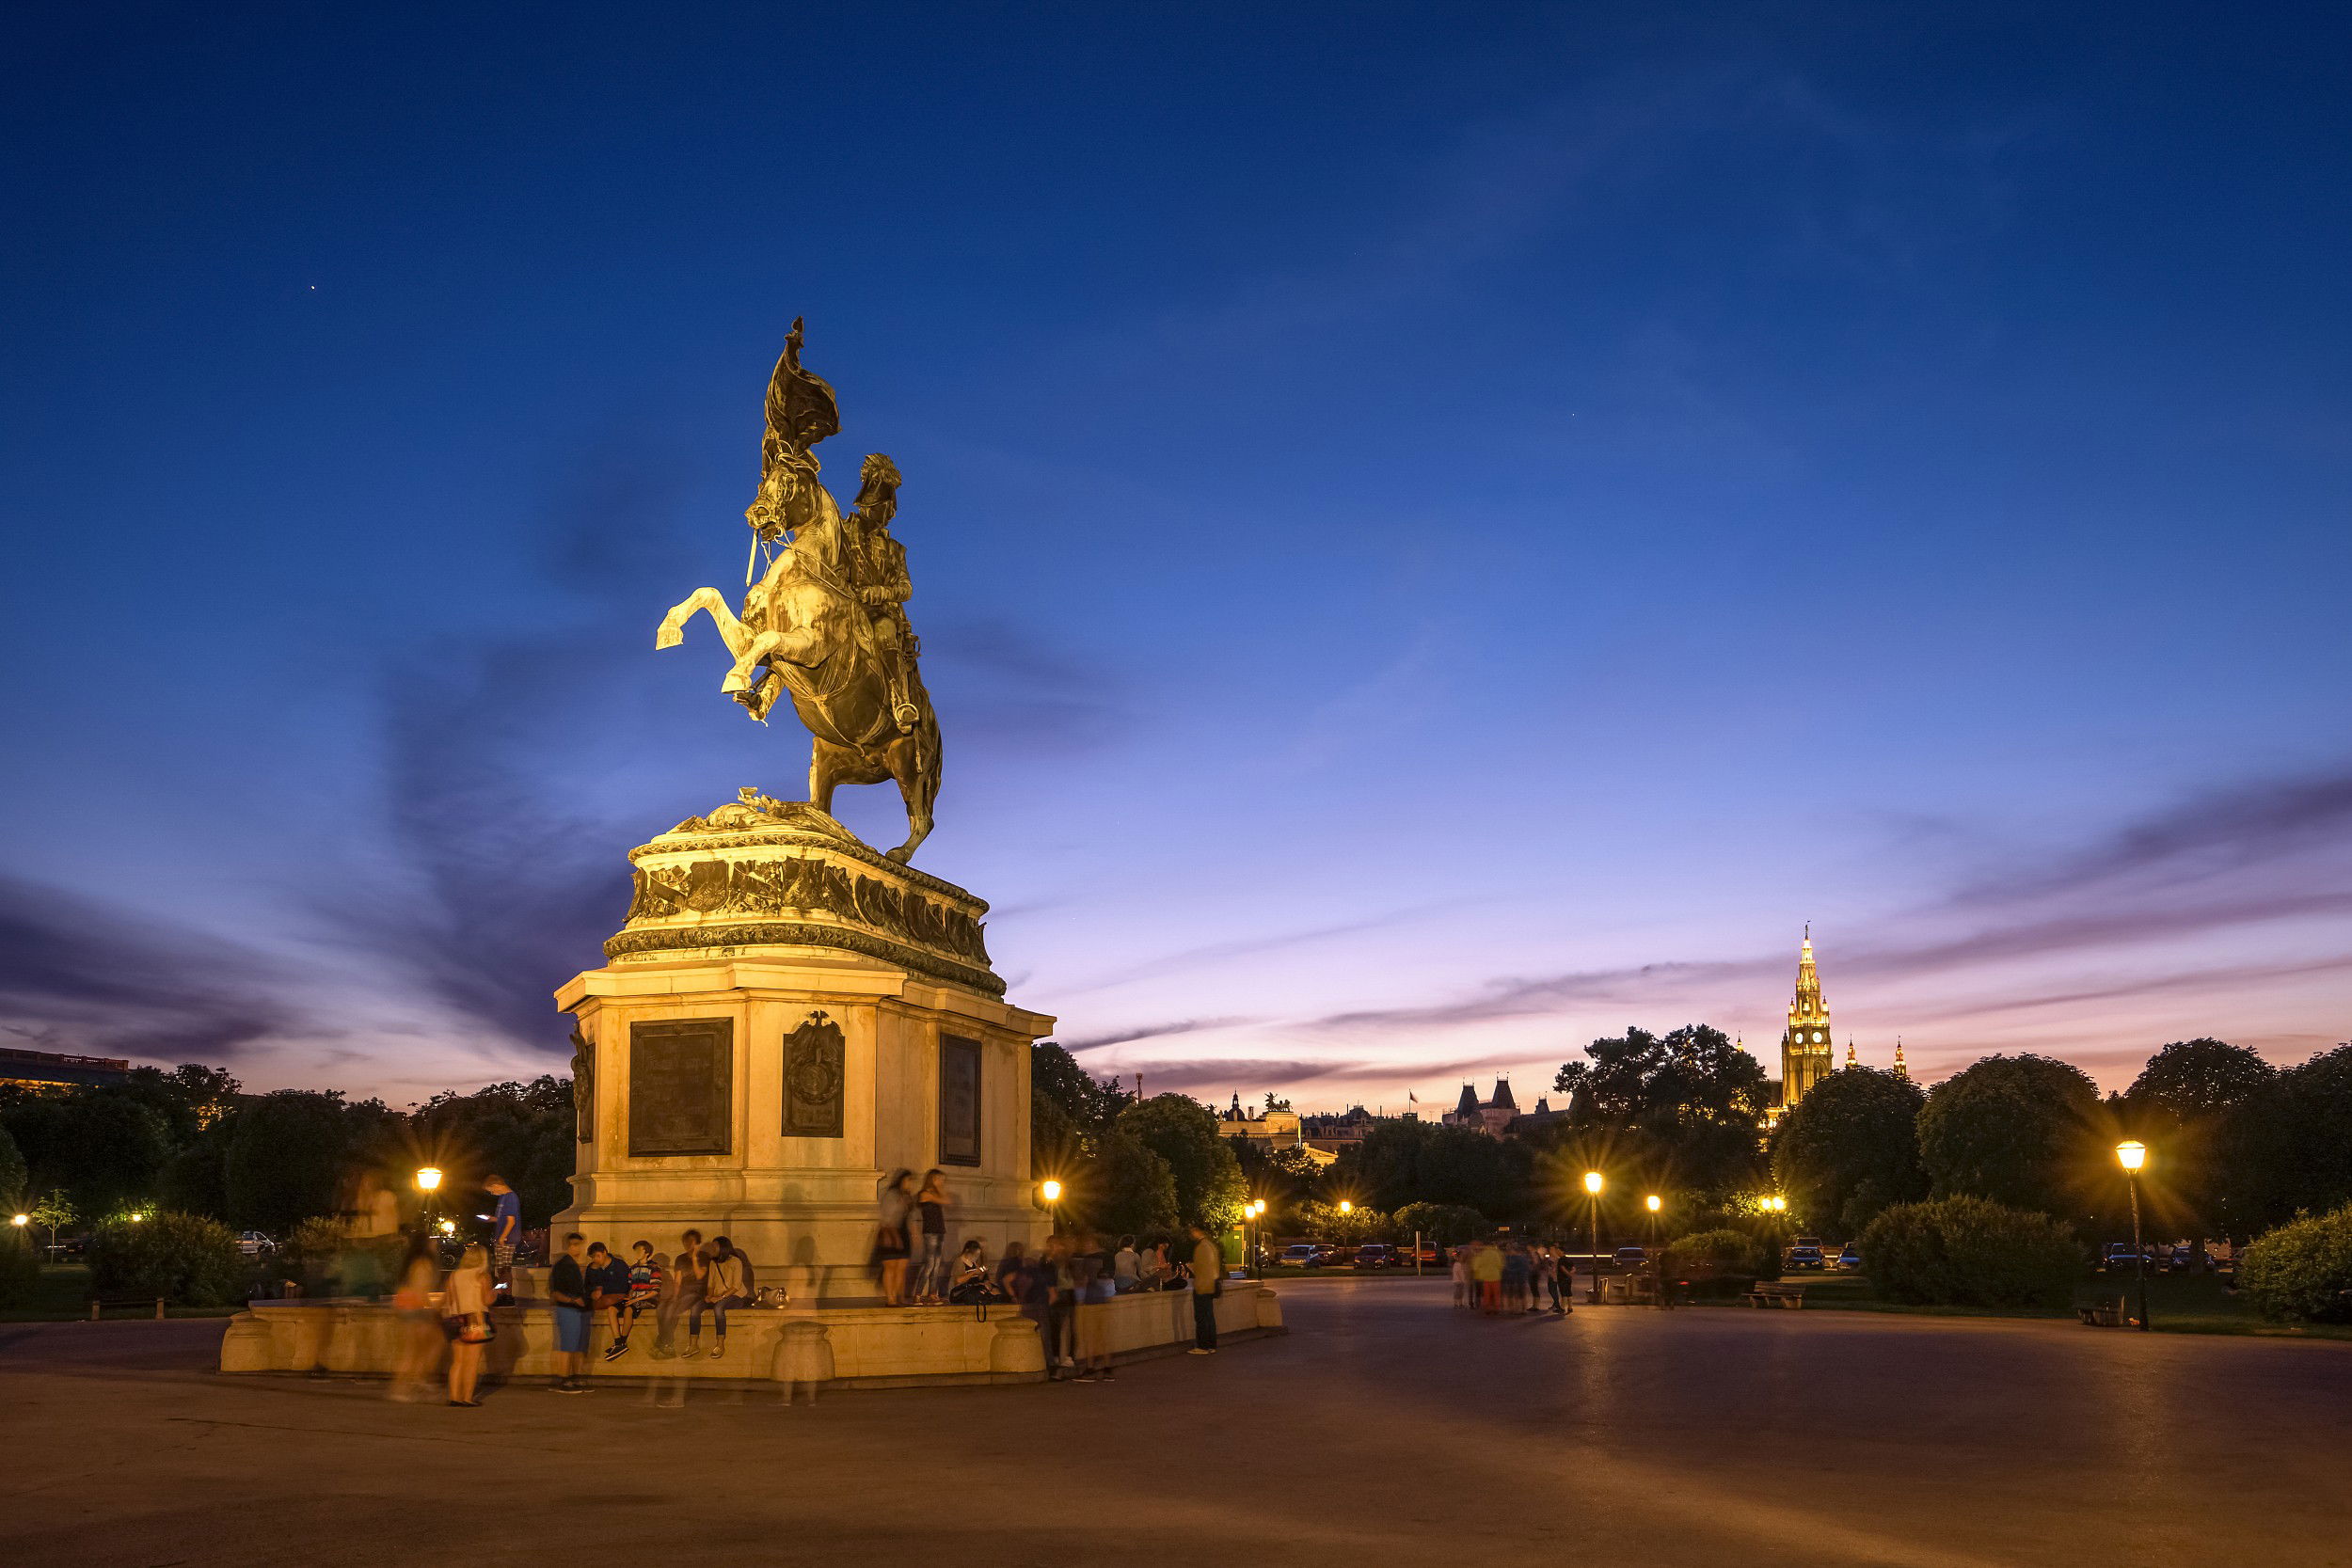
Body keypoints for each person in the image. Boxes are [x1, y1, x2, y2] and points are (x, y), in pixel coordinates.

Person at [389, 1231, 441, 1402]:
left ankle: (418, 1380)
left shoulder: (412, 1261)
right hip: (415, 1308)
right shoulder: (423, 1262)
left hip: (406, 1306)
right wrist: (430, 1308)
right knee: (414, 1350)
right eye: (432, 1241)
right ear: (425, 1244)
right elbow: (420, 1289)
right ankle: (402, 1387)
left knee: (422, 1346)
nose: (435, 1244)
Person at [442, 1243, 493, 1406]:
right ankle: (467, 1398)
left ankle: (454, 1397)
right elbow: (486, 1300)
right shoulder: (482, 1276)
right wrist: (496, 1293)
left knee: (458, 1361)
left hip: (457, 1319)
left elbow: (449, 1300)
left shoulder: (454, 1275)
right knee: (472, 1363)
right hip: (475, 1320)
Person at [548, 1231, 593, 1393]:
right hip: (567, 1309)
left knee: (578, 1346)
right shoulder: (562, 1265)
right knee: (568, 1345)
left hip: (580, 1310)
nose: (577, 1248)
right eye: (574, 1244)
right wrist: (573, 1300)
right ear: (568, 1246)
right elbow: (555, 1292)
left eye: (579, 1244)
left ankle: (575, 1376)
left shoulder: (575, 1265)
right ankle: (565, 1379)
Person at [690, 1235, 747, 1360]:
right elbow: (711, 1284)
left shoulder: (735, 1261)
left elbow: (736, 1286)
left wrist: (721, 1297)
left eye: (715, 1246)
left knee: (719, 1308)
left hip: (734, 1296)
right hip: (716, 1296)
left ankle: (720, 1344)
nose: (712, 1249)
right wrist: (709, 1296)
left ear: (723, 1247)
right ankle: (693, 1344)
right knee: (695, 1308)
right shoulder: (713, 1263)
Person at [608, 1241, 663, 1360]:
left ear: (647, 1253)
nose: (636, 1253)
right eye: (635, 1250)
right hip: (635, 1298)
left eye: (639, 1250)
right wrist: (630, 1296)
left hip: (648, 1300)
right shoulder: (633, 1268)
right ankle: (618, 1342)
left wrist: (635, 1300)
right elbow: (631, 1287)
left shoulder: (653, 1267)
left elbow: (655, 1291)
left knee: (628, 1310)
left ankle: (623, 1342)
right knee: (612, 1309)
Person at [656, 1229, 706, 1359]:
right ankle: (665, 1342)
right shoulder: (680, 1258)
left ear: (697, 1243)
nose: (688, 1244)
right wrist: (674, 1296)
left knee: (672, 1310)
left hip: (697, 1293)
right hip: (683, 1293)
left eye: (692, 1242)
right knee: (661, 1308)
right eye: (686, 1242)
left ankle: (665, 1343)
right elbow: (677, 1281)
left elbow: (700, 1275)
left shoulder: (704, 1257)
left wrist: (694, 1257)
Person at [873, 1170, 914, 1307]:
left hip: (903, 1232)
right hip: (890, 1233)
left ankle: (898, 1296)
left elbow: (909, 1217)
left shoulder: (906, 1196)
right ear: (901, 1180)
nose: (910, 1184)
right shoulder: (891, 1194)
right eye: (908, 1180)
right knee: (890, 1266)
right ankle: (890, 1298)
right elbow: (886, 1218)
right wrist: (894, 1237)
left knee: (901, 1267)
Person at [913, 1170, 951, 1305]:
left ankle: (933, 1294)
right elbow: (945, 1200)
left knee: (936, 1265)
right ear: (932, 1179)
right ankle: (917, 1294)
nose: (942, 1182)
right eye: (940, 1179)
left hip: (939, 1231)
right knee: (929, 1264)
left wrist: (939, 1188)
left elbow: (947, 1200)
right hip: (930, 1233)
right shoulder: (924, 1194)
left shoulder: (935, 1193)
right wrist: (939, 1187)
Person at [1187, 1224, 1222, 1354]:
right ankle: (1211, 1345)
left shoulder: (1201, 1247)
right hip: (1211, 1285)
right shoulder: (1211, 1246)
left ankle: (1202, 1346)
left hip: (1202, 1286)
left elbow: (1201, 1268)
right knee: (1209, 1316)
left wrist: (1191, 1267)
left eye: (1192, 1231)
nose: (1191, 1234)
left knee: (1201, 1317)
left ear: (1197, 1231)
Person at [485, 1176, 522, 1296]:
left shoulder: (511, 1197)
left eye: (491, 1190)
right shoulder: (503, 1197)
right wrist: (493, 1219)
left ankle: (507, 1295)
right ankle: (501, 1292)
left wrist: (502, 1237)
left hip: (507, 1238)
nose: (492, 1193)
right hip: (502, 1238)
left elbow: (511, 1221)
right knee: (501, 1269)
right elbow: (503, 1218)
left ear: (496, 1185)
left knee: (505, 1269)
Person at [587, 1242, 629, 1346]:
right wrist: (592, 1293)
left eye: (598, 1256)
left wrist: (602, 1290)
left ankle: (620, 1343)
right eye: (593, 1257)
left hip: (618, 1299)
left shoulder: (619, 1265)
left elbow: (624, 1286)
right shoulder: (592, 1268)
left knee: (612, 1302)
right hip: (601, 1300)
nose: (596, 1259)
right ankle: (618, 1343)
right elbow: (587, 1286)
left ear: (604, 1252)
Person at [946, 1240, 994, 1304]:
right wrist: (973, 1273)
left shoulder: (974, 1262)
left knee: (993, 1293)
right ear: (967, 1251)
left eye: (977, 1255)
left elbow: (979, 1278)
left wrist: (982, 1273)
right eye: (974, 1255)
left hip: (974, 1289)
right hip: (962, 1292)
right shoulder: (959, 1261)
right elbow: (958, 1280)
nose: (976, 1257)